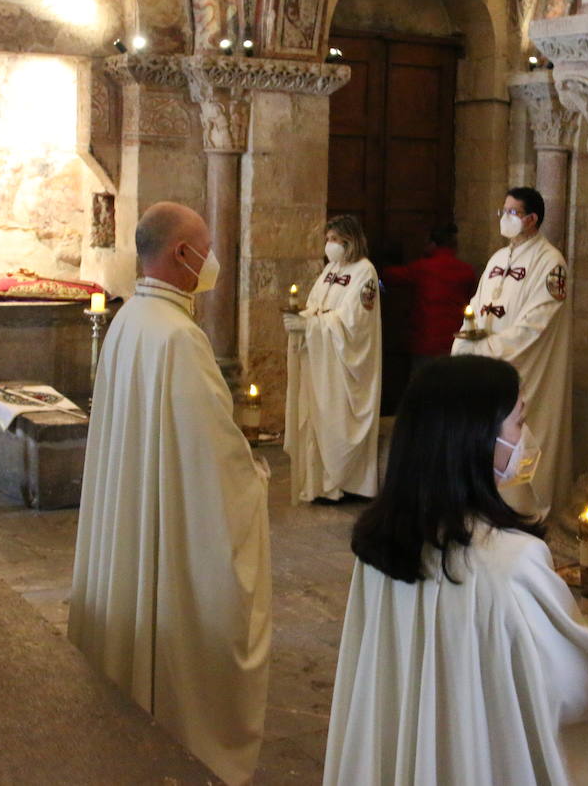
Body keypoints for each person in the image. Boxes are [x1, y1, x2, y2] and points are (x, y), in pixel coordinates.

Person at [324, 355, 588, 785]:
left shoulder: (379, 545)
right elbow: (572, 689)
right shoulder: (514, 562)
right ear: (474, 439)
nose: (526, 438)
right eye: (517, 422)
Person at [69, 202, 271, 785]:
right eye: (205, 247)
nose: (212, 260)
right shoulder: (180, 338)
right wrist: (251, 476)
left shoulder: (129, 319)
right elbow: (211, 460)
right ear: (182, 254)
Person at [451, 187, 571, 517]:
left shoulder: (551, 263)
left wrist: (489, 349)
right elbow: (476, 305)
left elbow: (536, 324)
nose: (505, 218)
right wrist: (468, 337)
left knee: (517, 443)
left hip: (522, 368)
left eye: (512, 213)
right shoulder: (497, 259)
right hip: (485, 366)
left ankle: (522, 512)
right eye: (502, 211)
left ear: (532, 219)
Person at [283, 214, 382, 505]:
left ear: (350, 241)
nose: (330, 246)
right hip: (321, 359)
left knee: (337, 418)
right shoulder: (330, 270)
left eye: (335, 240)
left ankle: (344, 481)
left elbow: (355, 322)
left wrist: (311, 326)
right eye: (327, 240)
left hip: (344, 363)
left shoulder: (365, 272)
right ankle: (321, 484)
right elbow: (316, 305)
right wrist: (301, 318)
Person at [382, 223, 478, 365]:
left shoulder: (422, 267)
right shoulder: (467, 271)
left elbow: (388, 277)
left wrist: (385, 261)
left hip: (425, 341)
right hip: (456, 340)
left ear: (432, 244)